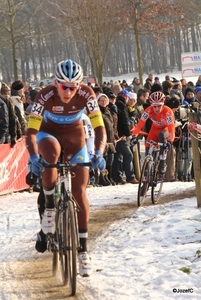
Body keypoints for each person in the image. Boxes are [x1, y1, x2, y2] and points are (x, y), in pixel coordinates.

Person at [25, 59, 106, 277]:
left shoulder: (87, 94)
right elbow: (31, 132)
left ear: (79, 86)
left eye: (73, 87)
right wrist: (33, 156)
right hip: (48, 135)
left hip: (75, 139)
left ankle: (83, 252)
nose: (68, 92)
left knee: (79, 191)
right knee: (50, 155)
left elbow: (99, 127)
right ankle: (50, 209)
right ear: (55, 83)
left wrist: (98, 152)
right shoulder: (44, 95)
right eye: (63, 87)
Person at [131, 91, 175, 175]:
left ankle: (162, 160)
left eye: (159, 106)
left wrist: (170, 141)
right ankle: (146, 175)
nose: (156, 109)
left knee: (162, 136)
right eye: (154, 106)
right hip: (154, 129)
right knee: (148, 146)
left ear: (163, 104)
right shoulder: (148, 110)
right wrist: (134, 136)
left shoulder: (168, 112)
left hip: (165, 130)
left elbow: (171, 128)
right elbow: (140, 124)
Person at [112, 89, 138, 184]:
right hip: (120, 135)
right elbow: (124, 120)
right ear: (126, 97)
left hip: (116, 134)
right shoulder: (122, 105)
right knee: (128, 155)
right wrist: (128, 134)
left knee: (118, 156)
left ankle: (118, 177)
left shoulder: (118, 104)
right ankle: (130, 176)